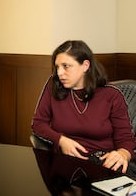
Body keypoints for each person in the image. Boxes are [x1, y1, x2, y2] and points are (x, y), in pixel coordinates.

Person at [32, 40, 136, 175]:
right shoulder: (53, 86)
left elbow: (125, 137)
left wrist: (123, 153)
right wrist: (60, 140)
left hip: (104, 162)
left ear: (85, 65)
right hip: (67, 164)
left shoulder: (112, 95)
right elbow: (38, 124)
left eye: (66, 66)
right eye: (57, 67)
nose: (60, 73)